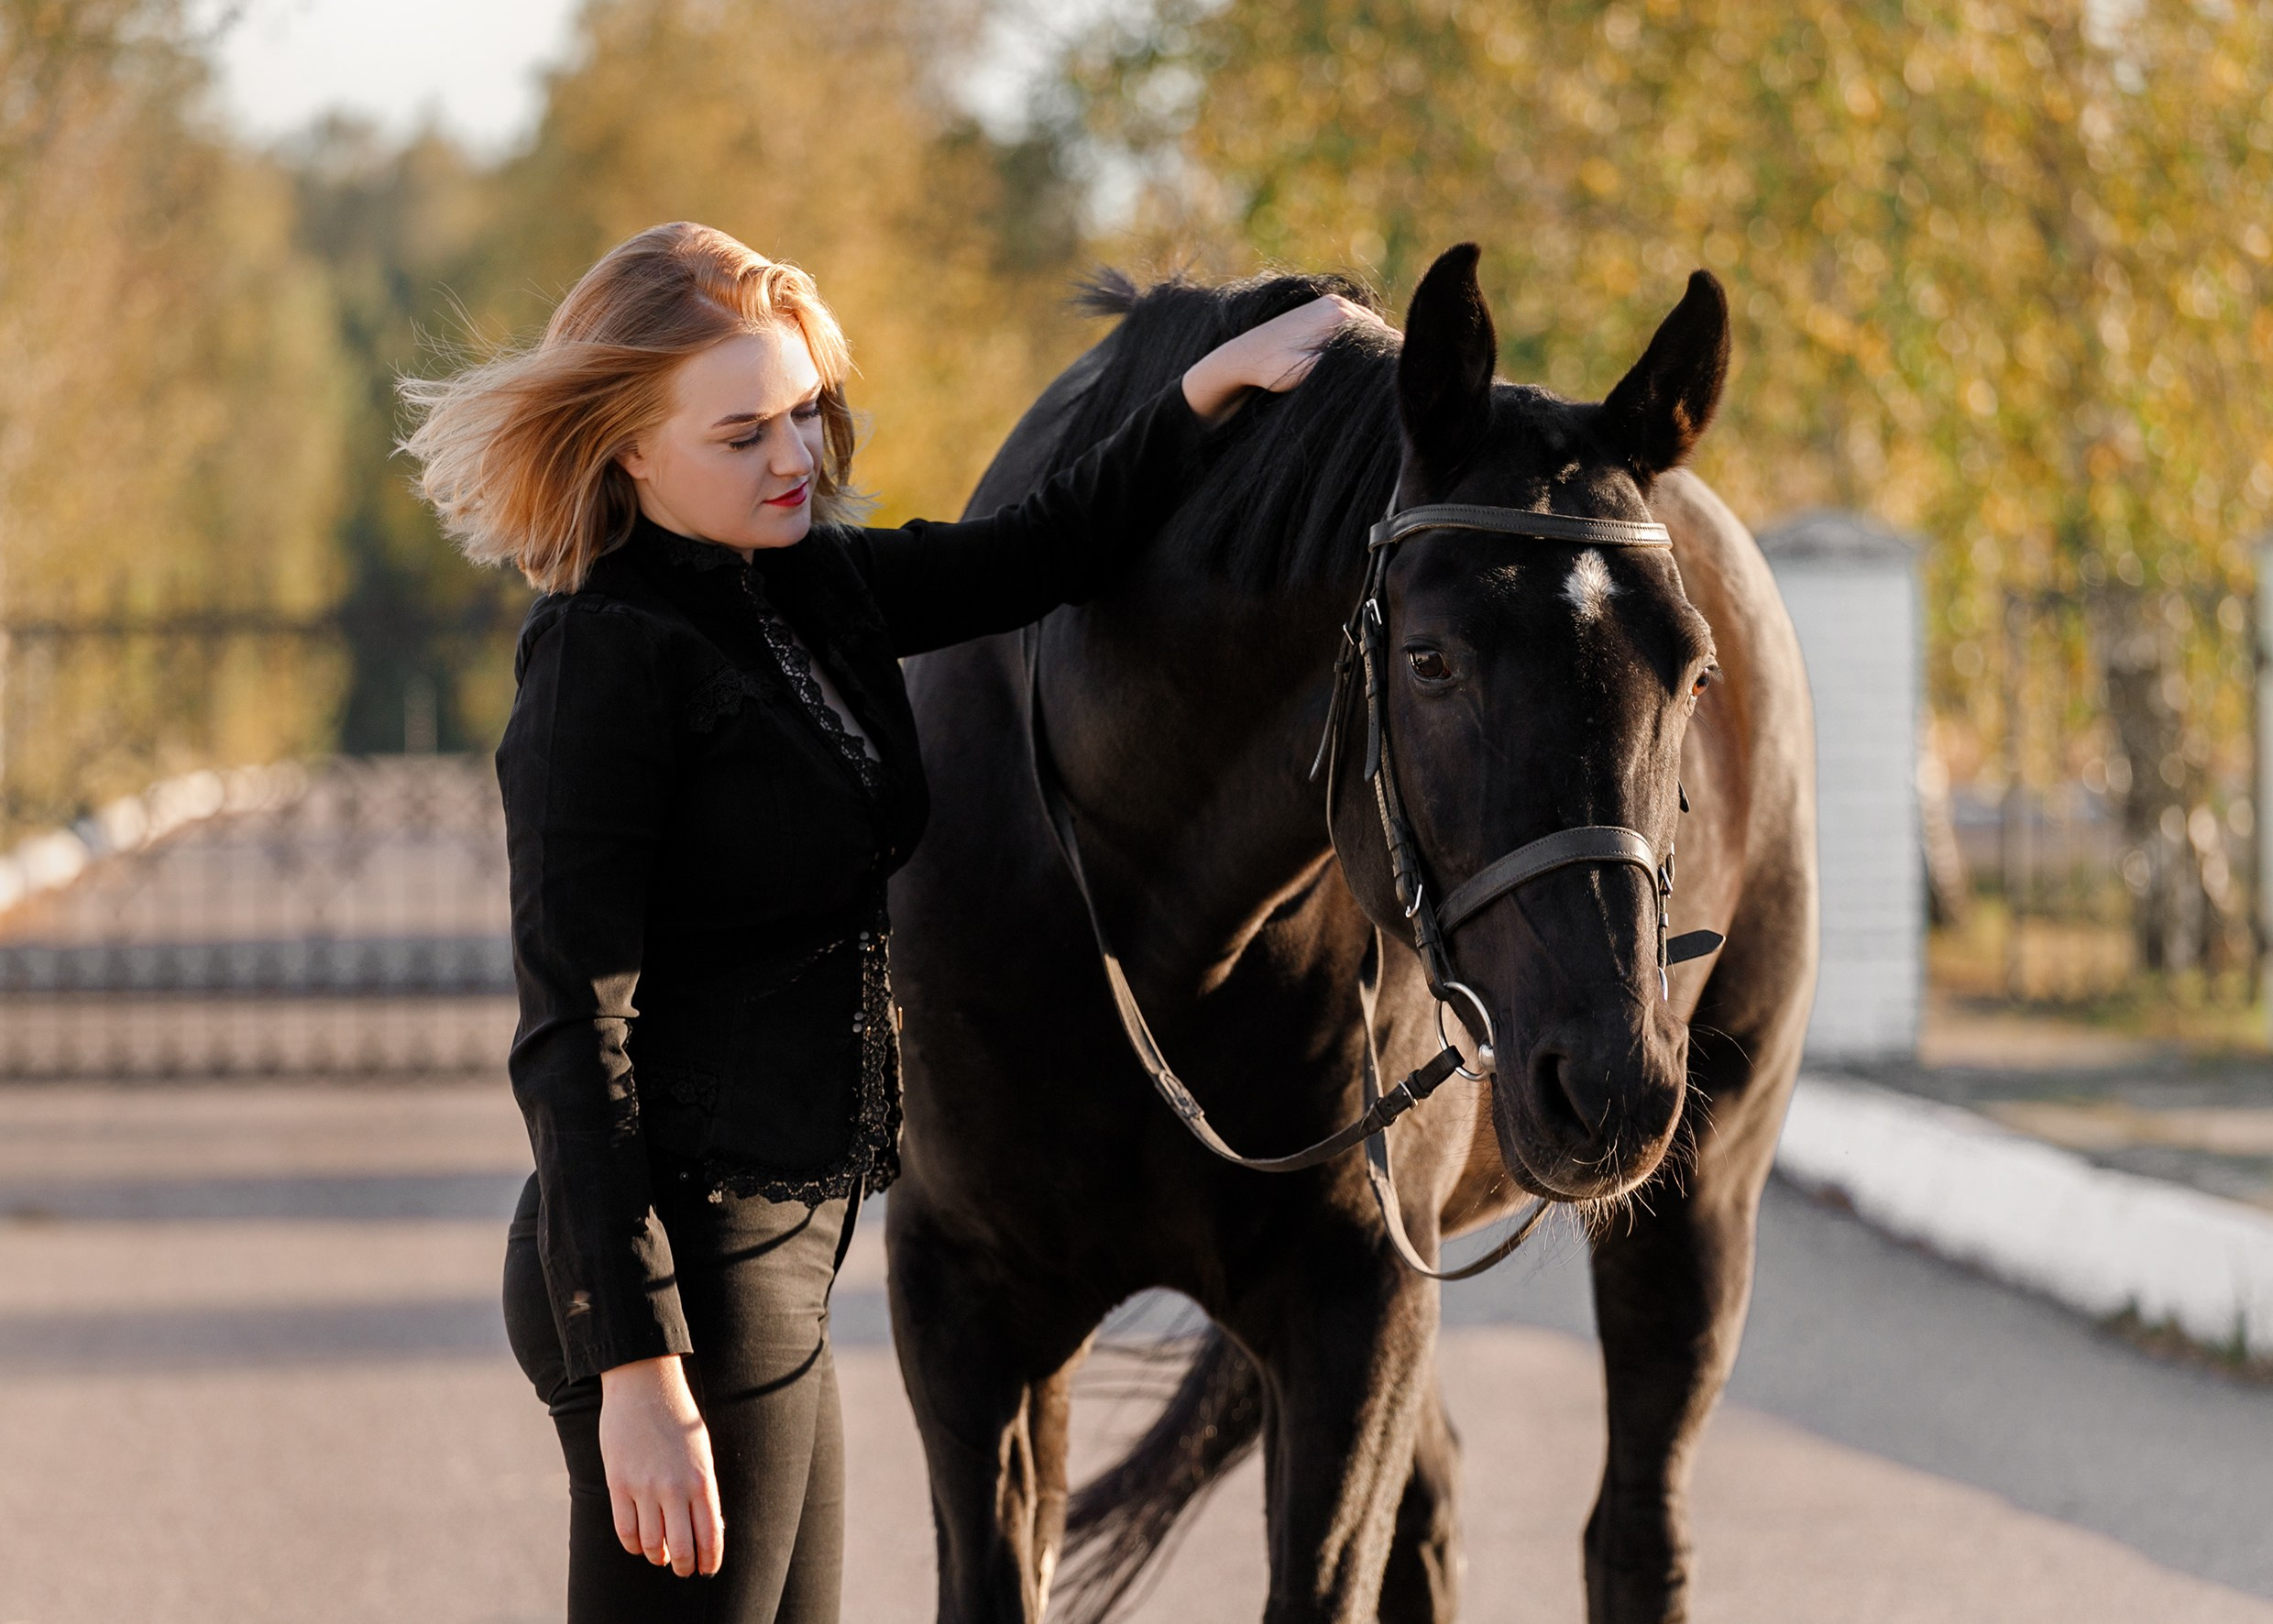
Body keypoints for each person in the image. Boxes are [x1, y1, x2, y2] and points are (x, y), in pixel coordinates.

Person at [399, 220, 1372, 1622]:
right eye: (740, 434)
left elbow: (1048, 548)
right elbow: (571, 1035)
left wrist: (1215, 384)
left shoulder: (802, 590)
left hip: (780, 1264)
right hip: (681, 1277)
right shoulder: (599, 660)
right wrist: (634, 1370)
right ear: (624, 450)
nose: (793, 460)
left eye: (802, 412)